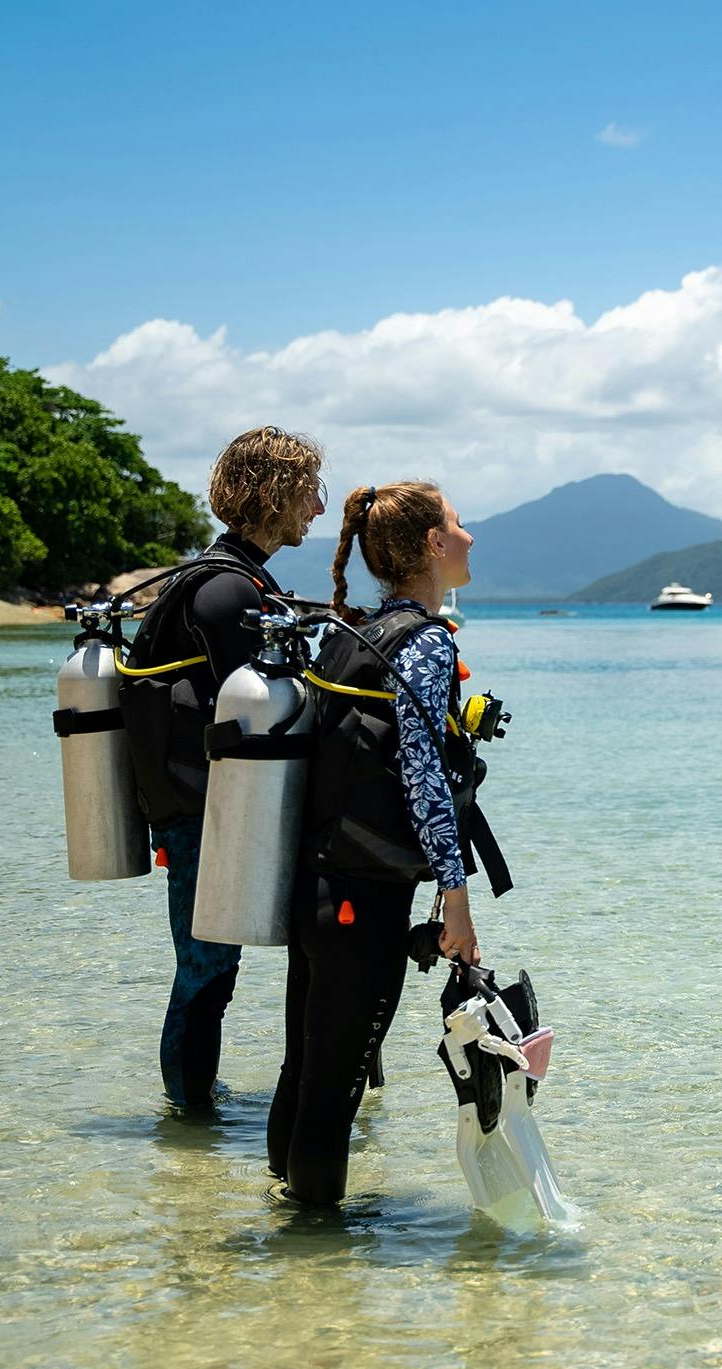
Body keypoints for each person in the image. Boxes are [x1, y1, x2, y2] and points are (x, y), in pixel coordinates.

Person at [268, 480, 486, 1206]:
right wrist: (457, 901)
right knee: (335, 1088)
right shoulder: (421, 643)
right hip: (363, 897)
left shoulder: (351, 633)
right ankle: (315, 1273)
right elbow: (424, 778)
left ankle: (282, 1242)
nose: (469, 538)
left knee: (306, 1071)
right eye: (458, 525)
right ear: (432, 543)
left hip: (319, 883)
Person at [119, 426, 326, 1110]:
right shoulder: (226, 592)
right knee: (207, 966)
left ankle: (190, 1118)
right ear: (273, 493)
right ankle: (188, 1120)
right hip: (201, 811)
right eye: (308, 492)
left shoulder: (224, 580)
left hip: (194, 804)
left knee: (211, 964)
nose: (318, 509)